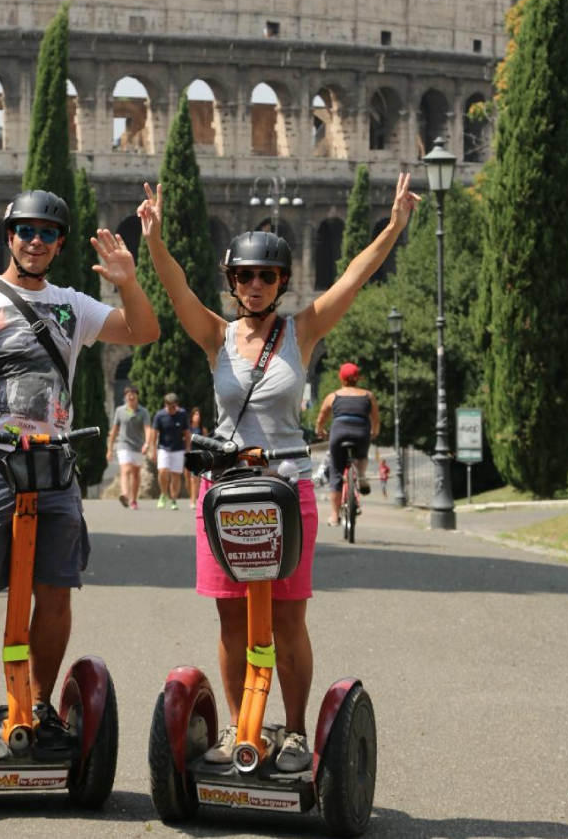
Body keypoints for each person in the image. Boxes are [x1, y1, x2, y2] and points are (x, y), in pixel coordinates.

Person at [137, 174, 418, 772]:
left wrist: (393, 226)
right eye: (245, 275)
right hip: (226, 492)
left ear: (282, 283)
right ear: (233, 281)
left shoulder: (303, 330)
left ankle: (292, 731)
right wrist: (155, 239)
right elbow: (176, 287)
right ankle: (243, 726)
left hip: (289, 489)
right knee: (231, 616)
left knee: (289, 617)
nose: (257, 284)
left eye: (267, 276)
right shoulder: (215, 335)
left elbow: (353, 277)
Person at [0, 189, 159, 753]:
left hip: (52, 462)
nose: (36, 241)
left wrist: (128, 282)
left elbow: (143, 332)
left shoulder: (72, 304)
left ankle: (40, 706)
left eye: (48, 232)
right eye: (26, 231)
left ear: (60, 242)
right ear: (10, 234)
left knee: (57, 591)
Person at [315, 363, 381, 527]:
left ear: (341, 378)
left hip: (339, 432)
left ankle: (335, 516)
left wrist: (320, 430)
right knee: (362, 456)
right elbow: (376, 420)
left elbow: (322, 417)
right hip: (361, 433)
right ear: (358, 378)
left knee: (336, 471)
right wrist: (374, 432)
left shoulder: (333, 396)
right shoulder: (368, 395)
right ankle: (362, 476)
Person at [106, 384, 153, 509]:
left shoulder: (143, 412)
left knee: (136, 473)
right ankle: (125, 495)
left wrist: (147, 444)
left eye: (133, 394)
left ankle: (133, 499)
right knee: (125, 469)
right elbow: (114, 430)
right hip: (123, 444)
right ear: (125, 397)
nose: (131, 396)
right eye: (128, 395)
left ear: (137, 396)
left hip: (138, 446)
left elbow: (148, 429)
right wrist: (109, 449)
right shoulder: (120, 411)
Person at [151, 392, 190, 511]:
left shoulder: (182, 414)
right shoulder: (160, 415)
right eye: (168, 406)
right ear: (165, 405)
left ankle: (173, 499)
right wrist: (153, 450)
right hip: (163, 448)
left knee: (176, 475)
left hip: (178, 448)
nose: (171, 409)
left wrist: (188, 447)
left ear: (176, 405)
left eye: (173, 407)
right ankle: (164, 494)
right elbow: (154, 433)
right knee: (163, 471)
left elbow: (186, 433)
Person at [185, 406, 208, 508]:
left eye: (199, 415)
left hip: (198, 456)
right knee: (187, 479)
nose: (197, 417)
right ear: (192, 416)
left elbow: (206, 443)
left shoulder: (203, 430)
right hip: (187, 455)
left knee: (194, 479)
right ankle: (191, 496)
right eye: (195, 414)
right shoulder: (187, 428)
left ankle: (193, 500)